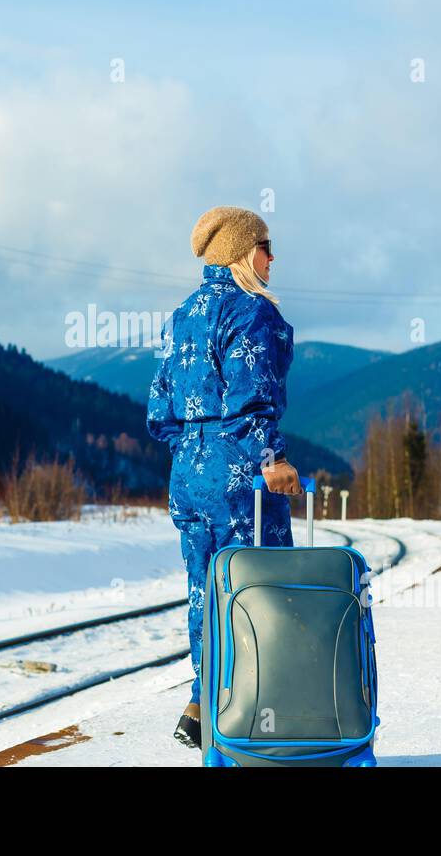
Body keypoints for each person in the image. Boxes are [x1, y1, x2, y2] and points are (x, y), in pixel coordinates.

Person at [146, 205, 301, 750]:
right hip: (242, 474)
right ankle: (256, 723)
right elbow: (252, 398)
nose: (272, 257)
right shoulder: (251, 311)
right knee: (261, 593)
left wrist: (195, 447)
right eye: (265, 246)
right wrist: (272, 461)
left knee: (204, 589)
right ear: (241, 253)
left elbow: (158, 411)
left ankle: (202, 700)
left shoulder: (182, 313)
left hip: (187, 472)